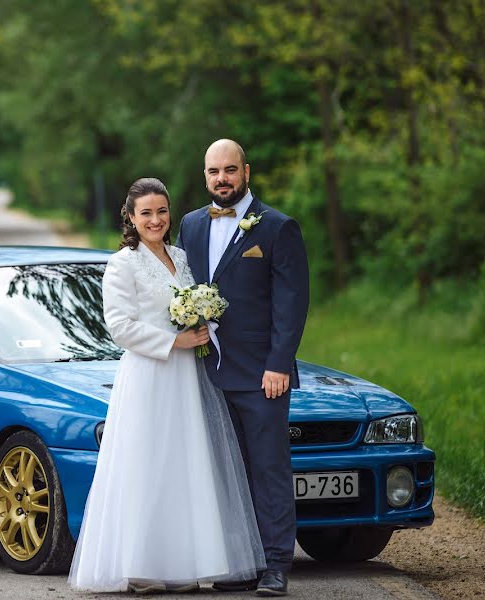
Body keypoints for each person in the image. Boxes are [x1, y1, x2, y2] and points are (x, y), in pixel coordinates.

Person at [68, 177, 266, 594]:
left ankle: (184, 563)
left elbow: (201, 301)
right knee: (149, 464)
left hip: (188, 379)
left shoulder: (180, 256)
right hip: (150, 375)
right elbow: (119, 326)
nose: (155, 219)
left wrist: (203, 321)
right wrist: (174, 341)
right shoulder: (124, 263)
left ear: (169, 213)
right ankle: (142, 566)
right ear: (131, 218)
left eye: (161, 211)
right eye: (146, 213)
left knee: (186, 463)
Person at [176, 139, 310, 597]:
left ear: (246, 172)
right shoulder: (191, 226)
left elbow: (291, 305)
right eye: (214, 172)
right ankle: (238, 562)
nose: (222, 179)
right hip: (204, 372)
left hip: (261, 377)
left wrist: (279, 365)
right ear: (205, 176)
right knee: (221, 469)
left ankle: (275, 565)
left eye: (230, 170)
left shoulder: (277, 228)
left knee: (268, 468)